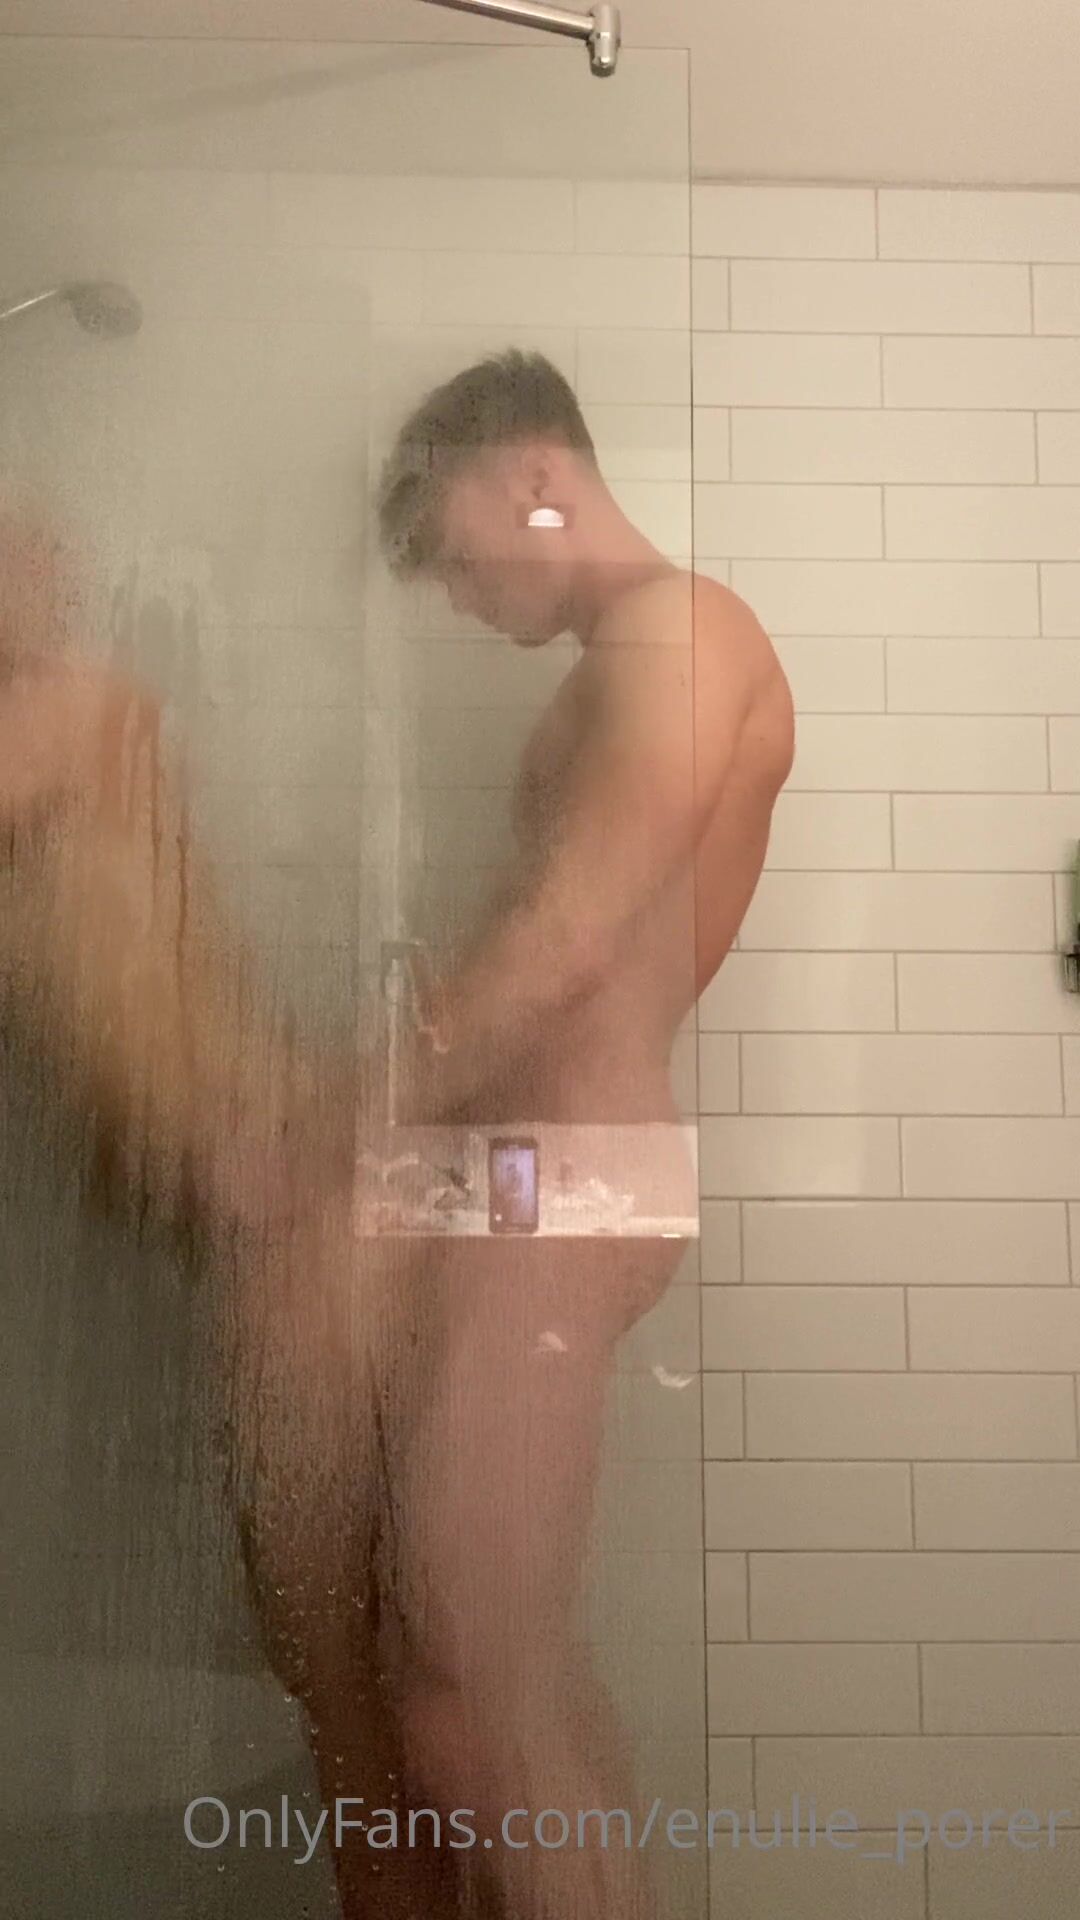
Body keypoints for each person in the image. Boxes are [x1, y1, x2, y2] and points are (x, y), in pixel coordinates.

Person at [372, 350, 796, 1920]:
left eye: (449, 545)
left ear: (534, 474)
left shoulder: (683, 630)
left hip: (570, 1179)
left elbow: (561, 944)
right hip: (534, 1178)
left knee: (462, 1679)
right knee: (507, 1674)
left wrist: (357, 1107)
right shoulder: (634, 650)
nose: (453, 590)